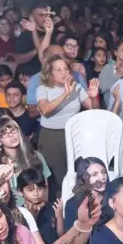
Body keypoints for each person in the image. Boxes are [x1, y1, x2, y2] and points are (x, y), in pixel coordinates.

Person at [36, 54, 101, 185]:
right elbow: (45, 110)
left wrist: (94, 97)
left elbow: (94, 110)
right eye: (58, 70)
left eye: (66, 69)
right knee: (56, 178)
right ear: (50, 73)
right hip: (52, 137)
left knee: (76, 173)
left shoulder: (76, 87)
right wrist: (65, 94)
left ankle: (77, 196)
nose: (64, 72)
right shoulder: (43, 89)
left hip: (74, 135)